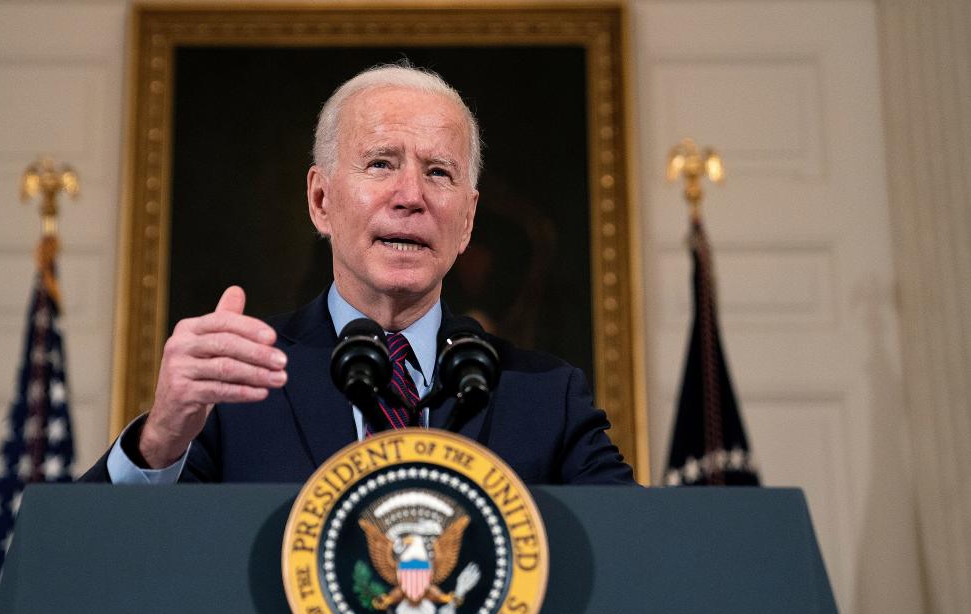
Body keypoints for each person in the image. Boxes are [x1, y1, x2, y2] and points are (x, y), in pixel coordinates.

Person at [81, 64, 633, 485]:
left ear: (466, 222)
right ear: (320, 200)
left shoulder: (547, 398)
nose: (411, 197)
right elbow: (91, 569)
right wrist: (158, 443)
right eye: (381, 164)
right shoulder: (235, 386)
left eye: (439, 172)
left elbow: (646, 555)